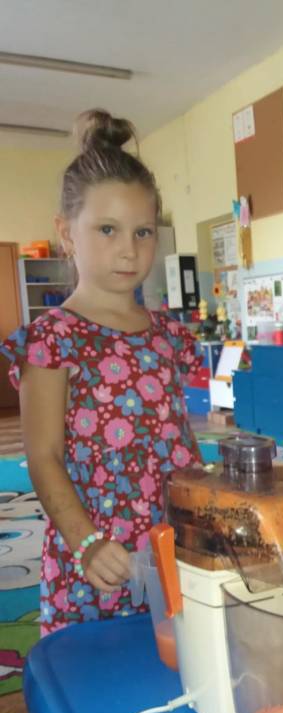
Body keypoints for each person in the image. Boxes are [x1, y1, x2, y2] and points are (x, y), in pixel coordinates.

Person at [1, 109, 202, 634]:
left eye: (142, 232)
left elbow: (178, 439)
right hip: (98, 552)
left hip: (170, 545)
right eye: (107, 229)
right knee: (96, 668)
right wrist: (85, 542)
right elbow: (43, 456)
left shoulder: (166, 333)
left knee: (172, 656)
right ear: (66, 233)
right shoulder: (53, 339)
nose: (128, 250)